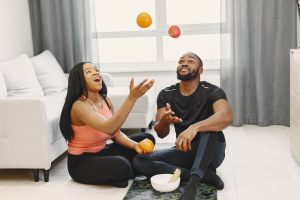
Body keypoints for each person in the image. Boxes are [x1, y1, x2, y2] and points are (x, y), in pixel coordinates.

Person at [133, 52, 232, 200]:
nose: (184, 63)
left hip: (212, 152)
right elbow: (161, 133)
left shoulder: (212, 91)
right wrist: (165, 121)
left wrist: (194, 128)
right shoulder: (166, 94)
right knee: (139, 160)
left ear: (201, 70)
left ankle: (192, 184)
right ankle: (205, 176)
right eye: (181, 61)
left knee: (211, 131)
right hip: (184, 151)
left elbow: (226, 116)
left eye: (191, 61)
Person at [59, 62, 156, 188]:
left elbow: (116, 133)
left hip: (102, 152)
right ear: (79, 81)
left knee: (147, 139)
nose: (95, 72)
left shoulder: (105, 100)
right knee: (122, 166)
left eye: (96, 70)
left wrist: (135, 146)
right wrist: (132, 98)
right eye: (88, 72)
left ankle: (126, 170)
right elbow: (109, 128)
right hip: (81, 162)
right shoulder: (80, 105)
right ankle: (129, 169)